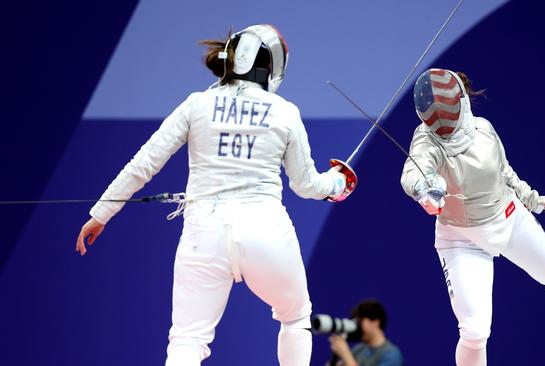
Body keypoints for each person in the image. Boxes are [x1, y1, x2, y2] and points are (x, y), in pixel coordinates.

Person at [74, 24, 356, 366]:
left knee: (187, 338)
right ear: (271, 67)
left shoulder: (197, 104)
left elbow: (144, 163)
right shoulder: (284, 111)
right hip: (266, 233)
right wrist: (338, 183)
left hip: (203, 235)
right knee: (295, 317)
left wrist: (101, 213)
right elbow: (307, 185)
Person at [400, 68, 545, 366]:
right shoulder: (426, 142)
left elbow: (505, 173)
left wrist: (536, 201)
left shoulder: (485, 129)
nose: (444, 125)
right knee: (475, 330)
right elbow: (414, 172)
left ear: (461, 102)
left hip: (509, 218)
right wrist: (425, 189)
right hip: (461, 239)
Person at [329, 300, 403, 366]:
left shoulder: (391, 354)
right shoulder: (359, 349)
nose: (357, 327)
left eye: (359, 322)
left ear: (375, 322)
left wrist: (346, 355)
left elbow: (350, 362)